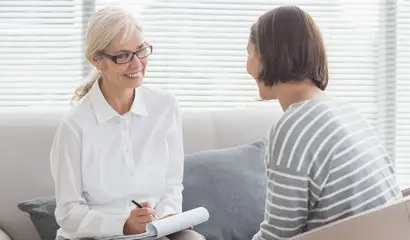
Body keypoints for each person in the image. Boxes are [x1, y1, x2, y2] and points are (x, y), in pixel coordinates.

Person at [246, 6, 403, 240]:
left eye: (250, 53)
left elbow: (277, 236)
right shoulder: (347, 113)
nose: (247, 66)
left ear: (270, 54)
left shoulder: (293, 128)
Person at [50, 7, 204, 240]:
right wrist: (123, 225)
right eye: (122, 56)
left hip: (152, 233)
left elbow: (172, 185)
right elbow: (68, 212)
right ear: (97, 60)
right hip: (93, 236)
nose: (137, 64)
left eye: (141, 50)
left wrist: (166, 218)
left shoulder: (165, 107)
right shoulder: (75, 125)